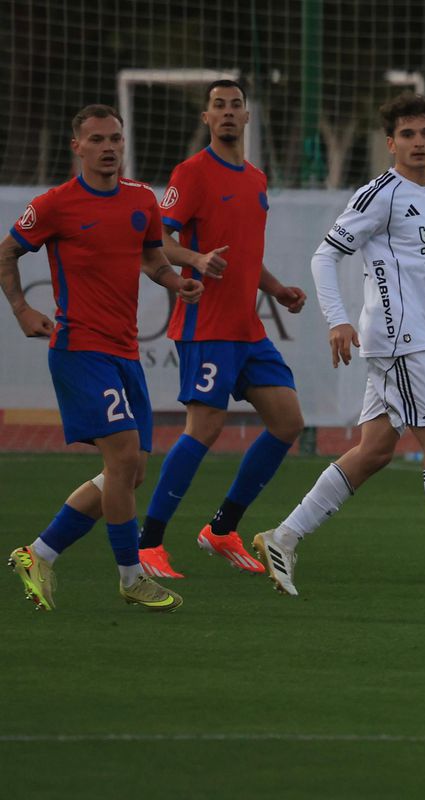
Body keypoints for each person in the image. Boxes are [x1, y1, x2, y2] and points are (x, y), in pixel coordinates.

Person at [251, 93, 425, 598]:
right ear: (391, 143)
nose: (418, 142)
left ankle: (282, 537)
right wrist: (337, 320)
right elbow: (324, 255)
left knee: (375, 449)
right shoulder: (380, 193)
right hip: (400, 339)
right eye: (407, 134)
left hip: (408, 337)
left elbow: (424, 268)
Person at [2, 104, 203, 611]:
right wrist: (22, 309)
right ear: (77, 147)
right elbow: (5, 252)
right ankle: (131, 577)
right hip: (79, 350)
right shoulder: (55, 204)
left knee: (130, 472)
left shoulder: (140, 199)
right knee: (122, 458)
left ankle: (39, 554)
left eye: (115, 138)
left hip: (125, 352)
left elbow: (152, 258)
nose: (108, 147)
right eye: (96, 139)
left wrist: (176, 281)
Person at [136, 79, 307, 579]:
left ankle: (222, 528)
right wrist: (195, 259)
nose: (228, 112)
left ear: (247, 117)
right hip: (206, 325)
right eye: (218, 106)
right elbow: (157, 241)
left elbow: (245, 255)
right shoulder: (191, 173)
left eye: (235, 105)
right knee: (205, 429)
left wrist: (276, 289)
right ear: (207, 118)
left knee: (288, 422)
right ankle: (149, 544)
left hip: (247, 328)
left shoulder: (256, 178)